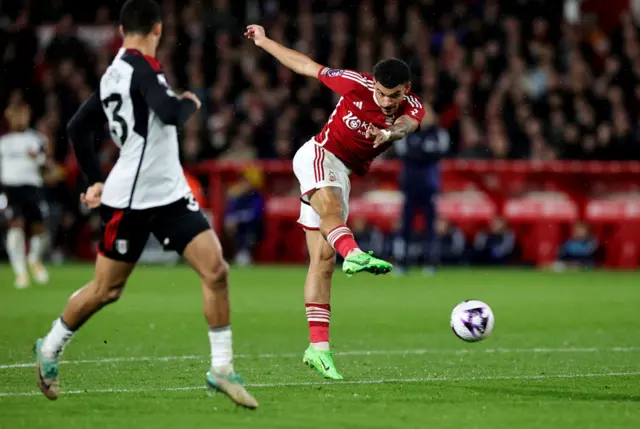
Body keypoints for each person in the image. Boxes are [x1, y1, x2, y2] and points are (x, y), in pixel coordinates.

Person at [33, 0, 257, 409]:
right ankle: (49, 347)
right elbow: (171, 113)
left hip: (168, 192)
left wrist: (93, 178)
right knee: (106, 290)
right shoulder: (142, 68)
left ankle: (221, 369)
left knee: (216, 269)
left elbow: (77, 129)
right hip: (132, 200)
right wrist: (192, 101)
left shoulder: (112, 72)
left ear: (121, 31)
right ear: (158, 29)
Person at [245, 24, 426, 380]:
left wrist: (391, 131)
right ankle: (355, 253)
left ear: (406, 89)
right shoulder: (354, 83)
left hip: (342, 173)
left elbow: (409, 124)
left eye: (393, 95)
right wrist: (265, 41)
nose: (386, 100)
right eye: (381, 93)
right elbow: (305, 65)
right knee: (329, 213)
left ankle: (318, 349)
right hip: (319, 154)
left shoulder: (413, 106)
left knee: (323, 261)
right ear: (373, 83)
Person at [0, 103, 50, 288]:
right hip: (11, 188)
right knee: (16, 226)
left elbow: (46, 164)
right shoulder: (4, 142)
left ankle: (34, 259)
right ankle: (20, 273)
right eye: (16, 116)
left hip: (32, 187)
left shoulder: (36, 139)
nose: (20, 119)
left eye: (23, 115)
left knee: (39, 228)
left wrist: (37, 159)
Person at [393, 113, 450, 274]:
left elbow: (440, 153)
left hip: (429, 186)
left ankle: (431, 262)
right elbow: (404, 152)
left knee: (431, 227)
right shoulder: (406, 133)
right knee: (405, 227)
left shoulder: (439, 133)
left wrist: (419, 152)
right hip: (410, 186)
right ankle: (401, 261)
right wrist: (424, 153)